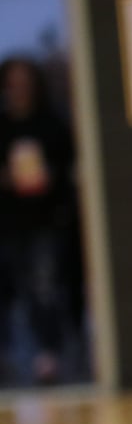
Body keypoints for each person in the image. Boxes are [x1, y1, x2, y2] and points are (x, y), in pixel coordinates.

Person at [0, 57, 78, 386]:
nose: (20, 88)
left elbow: (69, 167)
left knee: (43, 287)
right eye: (13, 82)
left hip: (45, 220)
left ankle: (48, 353)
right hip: (8, 220)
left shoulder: (51, 124)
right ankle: (8, 353)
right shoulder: (2, 126)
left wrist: (51, 178)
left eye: (25, 81)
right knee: (10, 287)